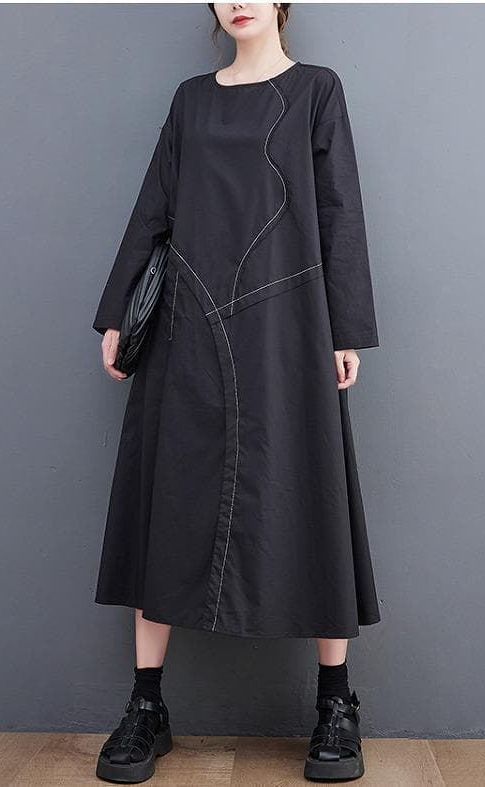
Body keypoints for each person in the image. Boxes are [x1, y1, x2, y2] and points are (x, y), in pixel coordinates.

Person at [92, 3, 381, 782]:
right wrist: (117, 313)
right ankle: (146, 707)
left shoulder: (317, 90)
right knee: (168, 502)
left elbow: (339, 207)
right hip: (188, 324)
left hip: (290, 324)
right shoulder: (191, 99)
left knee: (309, 493)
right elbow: (154, 205)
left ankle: (336, 704)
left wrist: (346, 329)